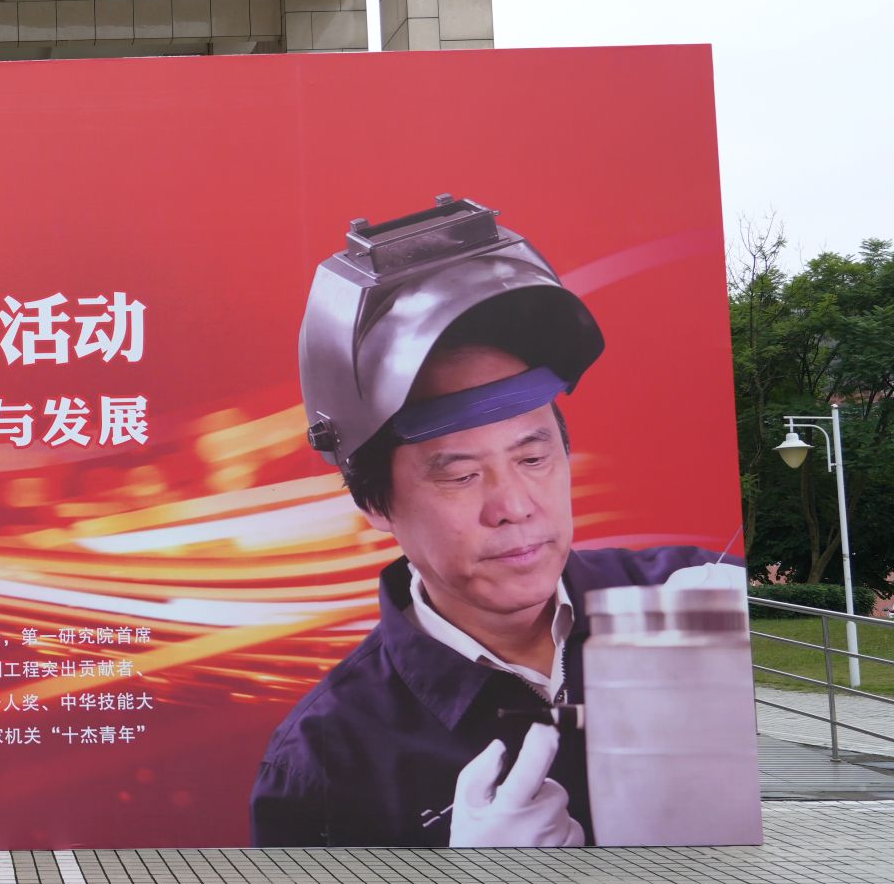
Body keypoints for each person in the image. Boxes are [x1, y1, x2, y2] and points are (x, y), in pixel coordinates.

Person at [250, 195, 736, 848]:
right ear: (375, 503)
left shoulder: (699, 595)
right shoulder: (323, 765)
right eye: (460, 474)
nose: (515, 504)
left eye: (533, 457)